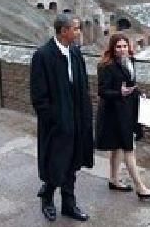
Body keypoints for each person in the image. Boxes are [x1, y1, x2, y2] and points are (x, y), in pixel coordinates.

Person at [30, 13, 94, 222]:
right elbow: (39, 96)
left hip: (75, 119)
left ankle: (68, 203)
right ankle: (47, 199)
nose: (78, 32)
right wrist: (55, 120)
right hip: (56, 124)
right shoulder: (43, 55)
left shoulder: (75, 53)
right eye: (75, 28)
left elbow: (82, 85)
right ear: (64, 31)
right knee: (55, 163)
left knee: (72, 163)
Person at [95, 34, 150, 200]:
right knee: (128, 149)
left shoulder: (131, 61)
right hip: (114, 114)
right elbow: (102, 91)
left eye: (124, 46)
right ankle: (141, 188)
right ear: (112, 48)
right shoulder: (106, 66)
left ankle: (114, 179)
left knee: (117, 148)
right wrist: (119, 93)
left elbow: (131, 84)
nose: (122, 50)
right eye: (118, 47)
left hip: (128, 111)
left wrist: (139, 93)